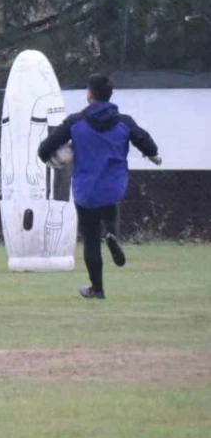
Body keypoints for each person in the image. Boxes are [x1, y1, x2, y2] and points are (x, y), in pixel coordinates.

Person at [38, 74, 161, 299]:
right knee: (110, 205)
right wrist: (152, 154)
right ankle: (113, 234)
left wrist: (51, 159)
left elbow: (45, 147)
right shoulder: (125, 122)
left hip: (86, 190)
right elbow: (147, 143)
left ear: (89, 95)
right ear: (110, 95)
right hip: (114, 186)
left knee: (91, 237)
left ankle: (97, 289)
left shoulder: (75, 123)